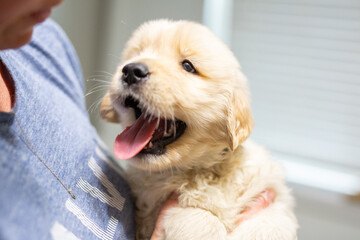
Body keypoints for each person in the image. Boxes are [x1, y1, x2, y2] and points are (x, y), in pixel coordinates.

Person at [0, 1, 274, 239]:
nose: (136, 68)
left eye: (188, 66)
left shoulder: (41, 41)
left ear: (232, 108)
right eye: (136, 56)